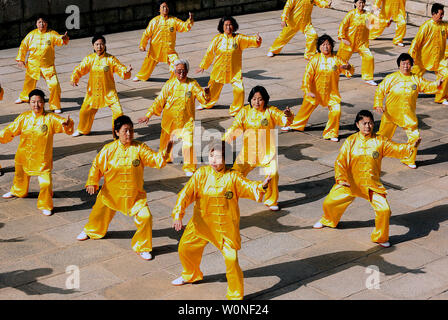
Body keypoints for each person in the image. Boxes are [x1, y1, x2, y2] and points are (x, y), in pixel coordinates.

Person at [170, 140, 271, 300]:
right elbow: (185, 194)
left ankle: (235, 296)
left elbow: (249, 186)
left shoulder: (233, 177)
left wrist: (261, 187)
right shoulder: (201, 174)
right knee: (185, 248)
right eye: (211, 156)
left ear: (227, 159)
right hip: (200, 224)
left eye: (218, 157)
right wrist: (178, 214)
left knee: (231, 260)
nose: (214, 160)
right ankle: (191, 274)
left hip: (225, 229)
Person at [313, 110, 421, 248]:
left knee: (384, 210)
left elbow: (396, 149)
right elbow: (340, 162)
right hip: (351, 183)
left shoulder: (380, 141)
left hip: (372, 185)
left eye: (370, 123)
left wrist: (411, 146)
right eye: (364, 123)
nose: (368, 126)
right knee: (329, 203)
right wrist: (341, 179)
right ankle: (329, 220)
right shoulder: (350, 141)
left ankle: (380, 237)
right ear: (357, 124)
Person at [76, 115, 173, 261]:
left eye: (131, 130)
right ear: (116, 132)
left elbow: (156, 160)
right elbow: (97, 166)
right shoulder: (108, 150)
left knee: (146, 217)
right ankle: (91, 231)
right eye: (125, 131)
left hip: (135, 196)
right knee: (98, 214)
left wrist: (167, 150)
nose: (129, 134)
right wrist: (92, 181)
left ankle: (143, 247)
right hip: (111, 194)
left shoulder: (140, 148)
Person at [0, 89, 74, 215]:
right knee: (20, 177)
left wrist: (67, 125)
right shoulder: (24, 117)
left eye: (39, 102)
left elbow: (63, 124)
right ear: (29, 103)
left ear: (44, 103)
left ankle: (45, 204)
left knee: (46, 183)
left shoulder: (50, 118)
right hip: (23, 155)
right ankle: (18, 191)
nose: (36, 105)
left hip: (42, 159)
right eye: (33, 102)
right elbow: (11, 130)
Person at [223, 86, 293, 211]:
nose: (257, 102)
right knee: (234, 174)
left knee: (273, 174)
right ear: (250, 99)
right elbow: (235, 128)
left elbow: (284, 120)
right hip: (248, 153)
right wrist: (224, 142)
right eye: (254, 99)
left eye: (260, 99)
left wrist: (287, 115)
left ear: (265, 100)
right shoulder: (244, 111)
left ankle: (271, 201)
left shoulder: (270, 111)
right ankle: (229, 197)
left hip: (267, 152)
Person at [138, 59, 210, 176]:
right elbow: (159, 100)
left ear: (187, 71)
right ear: (174, 71)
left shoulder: (192, 84)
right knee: (165, 146)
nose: (181, 74)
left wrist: (206, 93)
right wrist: (148, 115)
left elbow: (204, 99)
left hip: (186, 121)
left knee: (189, 144)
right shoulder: (169, 84)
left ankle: (189, 167)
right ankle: (165, 157)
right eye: (178, 71)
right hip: (169, 121)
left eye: (184, 71)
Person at [373, 53, 443, 169]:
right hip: (391, 114)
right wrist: (378, 104)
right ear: (399, 65)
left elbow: (427, 86)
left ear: (411, 65)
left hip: (408, 115)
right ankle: (376, 154)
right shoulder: (391, 78)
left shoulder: (416, 78)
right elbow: (380, 91)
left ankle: (410, 159)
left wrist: (437, 84)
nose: (406, 66)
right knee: (383, 136)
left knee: (415, 137)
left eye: (408, 64)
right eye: (403, 64)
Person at [282, 35, 354, 142]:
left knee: (336, 111)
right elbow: (307, 76)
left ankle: (332, 132)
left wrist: (348, 68)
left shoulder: (337, 59)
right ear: (319, 47)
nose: (326, 47)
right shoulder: (314, 60)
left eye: (328, 44)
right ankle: (295, 125)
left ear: (332, 46)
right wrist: (308, 90)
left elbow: (349, 71)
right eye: (323, 45)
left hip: (331, 93)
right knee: (304, 110)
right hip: (315, 92)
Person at [196, 16, 262, 116]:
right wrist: (203, 66)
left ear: (234, 26)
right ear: (222, 27)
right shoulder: (217, 39)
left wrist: (257, 40)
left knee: (239, 90)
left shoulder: (238, 38)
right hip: (219, 70)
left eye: (230, 24)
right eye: (226, 25)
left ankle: (236, 110)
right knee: (212, 89)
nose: (228, 27)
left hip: (234, 71)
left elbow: (250, 40)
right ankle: (207, 104)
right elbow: (209, 53)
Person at [70, 34, 132, 137]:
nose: (99, 47)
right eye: (97, 44)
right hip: (93, 92)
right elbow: (80, 69)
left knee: (119, 113)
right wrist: (74, 78)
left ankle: (117, 135)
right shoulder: (89, 59)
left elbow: (120, 68)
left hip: (109, 92)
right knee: (84, 112)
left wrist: (126, 71)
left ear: (105, 45)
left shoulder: (110, 59)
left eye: (101, 44)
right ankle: (83, 130)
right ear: (93, 46)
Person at [15, 14, 69, 113]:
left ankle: (55, 105)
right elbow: (23, 46)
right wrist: (20, 59)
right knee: (29, 84)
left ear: (47, 24)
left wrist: (64, 38)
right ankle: (24, 97)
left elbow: (59, 39)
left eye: (44, 22)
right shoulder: (31, 35)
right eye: (39, 22)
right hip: (32, 65)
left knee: (54, 85)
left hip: (47, 66)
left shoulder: (51, 34)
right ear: (36, 23)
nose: (42, 24)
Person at [133, 0, 193, 82]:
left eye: (166, 7)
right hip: (155, 50)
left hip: (169, 51)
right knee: (147, 65)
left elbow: (184, 26)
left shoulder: (173, 20)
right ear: (159, 9)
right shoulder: (154, 21)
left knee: (176, 64)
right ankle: (141, 76)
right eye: (163, 7)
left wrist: (189, 20)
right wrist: (142, 45)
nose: (165, 9)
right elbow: (146, 34)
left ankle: (174, 79)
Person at [267, 0, 332, 59]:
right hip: (293, 23)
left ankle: (309, 54)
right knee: (283, 37)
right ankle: (273, 50)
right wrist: (284, 18)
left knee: (313, 35)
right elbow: (287, 7)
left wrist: (326, 4)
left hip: (306, 23)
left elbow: (319, 2)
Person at [337, 0, 377, 86]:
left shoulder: (367, 14)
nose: (361, 5)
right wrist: (342, 38)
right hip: (349, 42)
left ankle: (368, 78)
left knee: (369, 57)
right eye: (359, 2)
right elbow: (342, 26)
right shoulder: (351, 14)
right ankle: (332, 71)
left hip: (362, 43)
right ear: (355, 4)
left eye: (363, 3)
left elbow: (374, 23)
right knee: (339, 61)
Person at [409, 3, 448, 78]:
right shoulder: (426, 26)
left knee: (445, 77)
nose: (442, 16)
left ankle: (438, 89)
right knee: (413, 79)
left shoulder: (445, 26)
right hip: (423, 59)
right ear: (434, 13)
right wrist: (411, 55)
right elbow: (416, 41)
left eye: (443, 14)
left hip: (439, 59)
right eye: (441, 14)